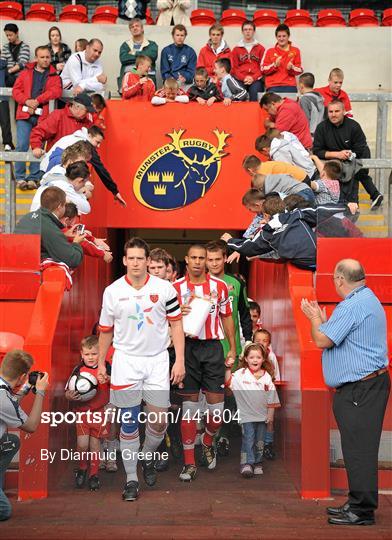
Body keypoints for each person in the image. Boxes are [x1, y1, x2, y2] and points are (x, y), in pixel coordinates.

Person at [301, 259, 390, 526]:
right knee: (356, 448)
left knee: (359, 450)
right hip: (365, 386)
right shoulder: (367, 298)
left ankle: (362, 511)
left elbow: (322, 339)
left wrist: (315, 318)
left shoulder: (352, 305)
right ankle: (356, 503)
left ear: (340, 279)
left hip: (360, 388)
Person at [97, 237, 185, 501]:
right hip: (125, 361)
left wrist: (178, 360)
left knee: (159, 421)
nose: (135, 263)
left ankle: (146, 458)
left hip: (157, 360)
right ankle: (132, 479)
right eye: (131, 258)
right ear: (124, 260)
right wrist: (101, 361)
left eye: (140, 258)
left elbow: (177, 324)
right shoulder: (112, 291)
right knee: (128, 422)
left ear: (148, 261)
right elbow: (105, 330)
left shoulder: (165, 288)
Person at [173, 244, 236, 482]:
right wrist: (178, 310)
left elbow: (227, 316)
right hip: (186, 349)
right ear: (187, 260)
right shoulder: (175, 288)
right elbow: (163, 319)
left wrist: (232, 347)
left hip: (212, 348)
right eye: (195, 258)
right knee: (189, 408)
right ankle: (189, 463)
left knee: (216, 410)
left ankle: (208, 441)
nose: (199, 262)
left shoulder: (219, 287)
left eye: (203, 258)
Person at [206, 240, 252, 456]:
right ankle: (207, 438)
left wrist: (248, 341)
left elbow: (244, 313)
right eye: (210, 259)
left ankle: (223, 434)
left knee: (228, 394)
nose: (214, 263)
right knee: (206, 395)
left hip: (230, 348)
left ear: (225, 259)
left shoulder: (235, 282)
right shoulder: (197, 284)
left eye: (218, 259)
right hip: (205, 349)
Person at [222, 196, 342, 270]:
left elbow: (249, 248)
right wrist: (345, 207)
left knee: (274, 251)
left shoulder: (267, 232)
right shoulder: (296, 214)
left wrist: (229, 241)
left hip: (304, 264)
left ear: (266, 215)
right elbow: (320, 210)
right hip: (321, 257)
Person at [0, 350, 49, 521]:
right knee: (4, 511)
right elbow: (31, 426)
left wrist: (26, 387)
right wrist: (41, 392)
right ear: (22, 376)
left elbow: (8, 404)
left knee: (11, 441)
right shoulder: (3, 399)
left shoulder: (4, 393)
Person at [313, 100, 383, 210]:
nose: (333, 114)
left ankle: (354, 204)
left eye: (337, 111)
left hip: (355, 159)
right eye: (330, 112)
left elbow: (361, 147)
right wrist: (337, 154)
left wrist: (349, 154)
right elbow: (317, 150)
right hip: (333, 163)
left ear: (344, 111)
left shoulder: (353, 126)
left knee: (354, 169)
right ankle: (371, 195)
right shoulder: (322, 127)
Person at [225, 343, 280, 477]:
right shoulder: (240, 374)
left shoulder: (267, 377)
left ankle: (258, 463)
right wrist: (228, 368)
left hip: (262, 416)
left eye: (258, 357)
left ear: (263, 359)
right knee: (248, 438)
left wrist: (270, 415)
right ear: (246, 359)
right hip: (246, 416)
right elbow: (228, 382)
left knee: (260, 441)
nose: (255, 360)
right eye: (251, 357)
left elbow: (272, 398)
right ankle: (247, 464)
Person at [12, 45, 62, 190]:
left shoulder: (54, 75)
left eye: (48, 57)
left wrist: (37, 100)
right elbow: (16, 90)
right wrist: (27, 101)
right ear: (36, 58)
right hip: (24, 113)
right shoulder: (25, 72)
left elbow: (56, 91)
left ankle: (33, 177)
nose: (46, 60)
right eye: (42, 57)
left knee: (38, 146)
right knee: (21, 145)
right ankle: (20, 177)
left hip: (43, 116)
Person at [65, 335, 111, 491]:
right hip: (82, 413)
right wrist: (69, 395)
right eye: (87, 354)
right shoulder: (78, 370)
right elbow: (67, 391)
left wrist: (108, 379)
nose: (90, 357)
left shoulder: (106, 367)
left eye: (94, 354)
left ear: (101, 353)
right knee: (82, 445)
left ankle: (93, 475)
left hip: (99, 412)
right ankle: (82, 467)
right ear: (81, 354)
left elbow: (116, 383)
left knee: (95, 444)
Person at [39, 127, 126, 207]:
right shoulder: (85, 146)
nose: (98, 146)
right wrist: (115, 191)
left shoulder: (74, 138)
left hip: (45, 168)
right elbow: (101, 170)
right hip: (51, 168)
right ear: (89, 135)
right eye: (97, 142)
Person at [15, 186, 85, 269]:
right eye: (64, 205)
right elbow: (72, 259)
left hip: (18, 265)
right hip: (32, 273)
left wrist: (64, 235)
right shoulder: (48, 225)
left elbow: (42, 238)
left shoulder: (27, 217)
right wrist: (76, 243)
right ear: (59, 207)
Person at [30, 94, 94, 156]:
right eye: (86, 111)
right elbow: (39, 131)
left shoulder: (87, 122)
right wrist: (36, 147)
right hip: (58, 160)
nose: (87, 114)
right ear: (77, 107)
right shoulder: (58, 116)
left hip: (77, 162)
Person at [0, 23, 30, 151]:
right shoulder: (6, 47)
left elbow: (23, 63)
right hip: (7, 79)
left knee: (20, 113)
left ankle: (21, 143)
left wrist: (10, 70)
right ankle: (7, 141)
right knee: (3, 107)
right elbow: (2, 63)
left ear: (17, 33)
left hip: (20, 81)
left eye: (10, 35)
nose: (9, 37)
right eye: (7, 35)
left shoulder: (25, 47)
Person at [253, 328, 280, 459]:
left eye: (264, 341)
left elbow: (276, 376)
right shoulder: (248, 356)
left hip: (268, 393)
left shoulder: (271, 356)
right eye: (258, 340)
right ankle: (253, 445)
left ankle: (268, 445)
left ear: (268, 343)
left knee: (269, 420)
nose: (261, 343)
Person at [118, 18, 158, 90]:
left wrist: (134, 53)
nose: (134, 28)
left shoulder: (151, 44)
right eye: (132, 27)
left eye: (137, 26)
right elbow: (123, 58)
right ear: (130, 30)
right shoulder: (125, 45)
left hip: (147, 77)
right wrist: (143, 58)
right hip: (129, 79)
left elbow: (152, 56)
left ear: (142, 29)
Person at [261, 23, 302, 93]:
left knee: (291, 103)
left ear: (288, 36)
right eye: (279, 36)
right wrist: (275, 65)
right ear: (276, 37)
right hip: (272, 86)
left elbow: (300, 70)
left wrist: (291, 68)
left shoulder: (295, 50)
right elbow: (263, 70)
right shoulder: (269, 51)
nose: (281, 39)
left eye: (284, 36)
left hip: (289, 85)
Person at [231, 20, 265, 102]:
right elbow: (234, 68)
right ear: (242, 32)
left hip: (256, 79)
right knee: (239, 96)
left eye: (250, 29)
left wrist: (253, 78)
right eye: (245, 29)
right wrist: (244, 78)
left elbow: (263, 68)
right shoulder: (236, 49)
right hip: (240, 79)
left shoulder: (260, 48)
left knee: (255, 94)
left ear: (254, 31)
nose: (248, 32)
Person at [245, 153, 309, 184]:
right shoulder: (267, 164)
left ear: (250, 170)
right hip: (303, 175)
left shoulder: (263, 174)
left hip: (300, 182)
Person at [298, 72, 325, 137]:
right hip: (321, 134)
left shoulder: (304, 99)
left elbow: (305, 120)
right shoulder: (320, 97)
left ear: (301, 85)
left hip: (310, 135)